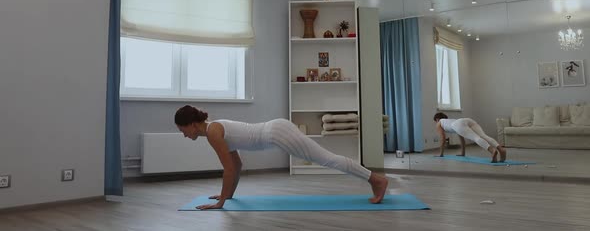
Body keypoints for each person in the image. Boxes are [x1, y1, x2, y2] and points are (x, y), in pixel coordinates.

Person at [174, 105, 389, 210]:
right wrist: (227, 196)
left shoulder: (212, 132)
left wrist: (221, 202)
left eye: (183, 130)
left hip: (277, 134)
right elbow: (237, 165)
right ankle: (375, 180)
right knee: (327, 158)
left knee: (327, 159)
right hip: (276, 130)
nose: (183, 135)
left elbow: (229, 169)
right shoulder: (214, 129)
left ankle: (376, 179)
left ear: (192, 124)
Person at [433, 112, 507, 163]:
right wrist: (463, 153)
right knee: (483, 136)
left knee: (476, 138)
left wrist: (441, 154)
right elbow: (461, 138)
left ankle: (492, 151)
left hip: (458, 124)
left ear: (437, 119)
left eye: (435, 121)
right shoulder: (451, 121)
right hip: (466, 120)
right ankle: (501, 149)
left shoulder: (439, 123)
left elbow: (442, 139)